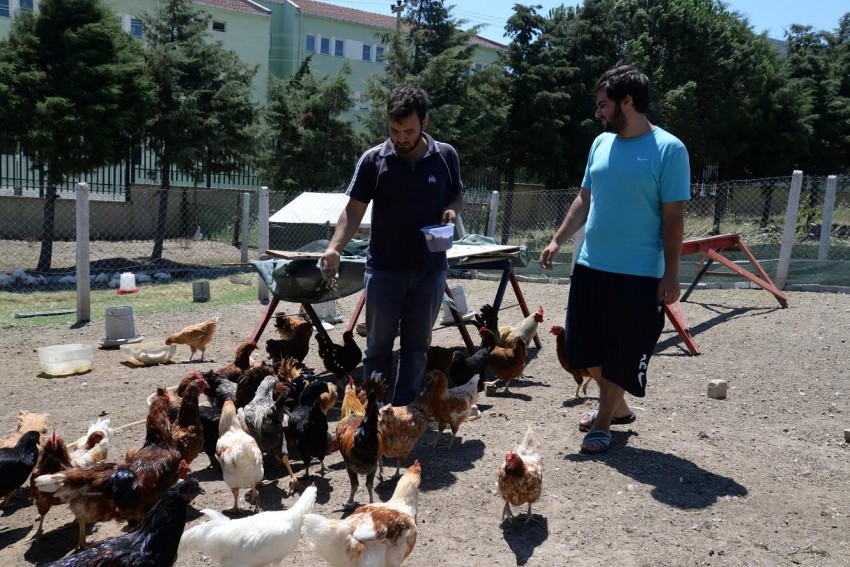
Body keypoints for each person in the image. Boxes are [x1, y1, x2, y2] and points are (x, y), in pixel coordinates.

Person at [539, 64, 691, 454]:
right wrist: (558, 239)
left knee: (620, 351)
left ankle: (603, 422)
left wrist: (671, 274)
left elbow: (674, 216)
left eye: (604, 104)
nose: (599, 113)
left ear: (627, 100)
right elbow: (584, 198)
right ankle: (617, 407)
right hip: (590, 266)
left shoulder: (669, 150)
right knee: (580, 347)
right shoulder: (600, 144)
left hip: (638, 274)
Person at [320, 86, 464, 406]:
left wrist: (453, 210)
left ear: (424, 122)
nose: (400, 137)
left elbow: (457, 193)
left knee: (417, 348)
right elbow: (353, 210)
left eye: (408, 130)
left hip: (430, 269)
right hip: (384, 269)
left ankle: (403, 415)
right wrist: (335, 247)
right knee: (378, 348)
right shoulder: (374, 160)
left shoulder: (446, 155)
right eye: (394, 130)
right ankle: (375, 411)